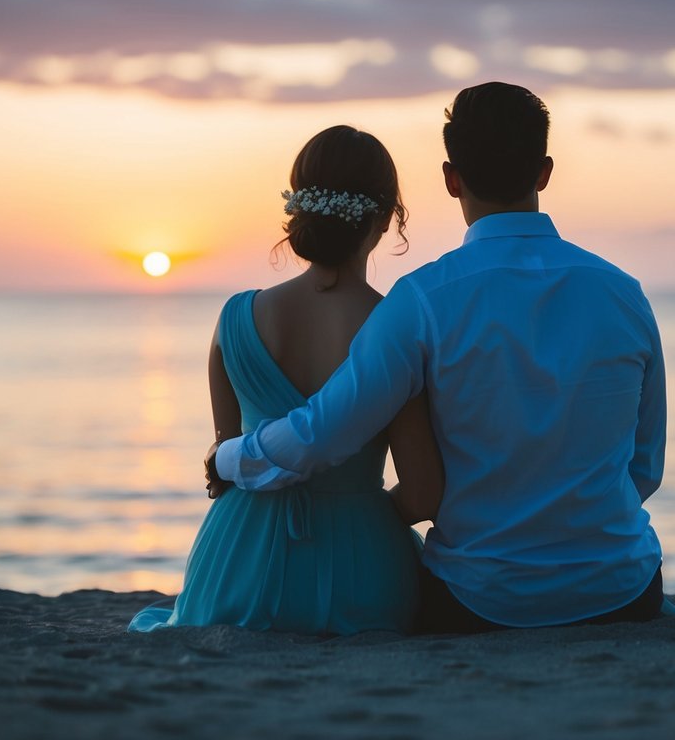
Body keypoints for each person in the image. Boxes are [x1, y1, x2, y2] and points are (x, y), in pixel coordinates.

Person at [210, 82, 666, 632]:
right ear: (544, 172)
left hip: (480, 599)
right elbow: (644, 467)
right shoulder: (623, 293)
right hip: (623, 589)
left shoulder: (422, 301)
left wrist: (227, 459)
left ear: (451, 180)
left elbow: (321, 432)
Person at [130, 125, 444, 636]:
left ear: (298, 209)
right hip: (362, 570)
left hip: (238, 564)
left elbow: (222, 464)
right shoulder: (395, 330)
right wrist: (366, 513)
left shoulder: (235, 319)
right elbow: (425, 493)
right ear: (387, 220)